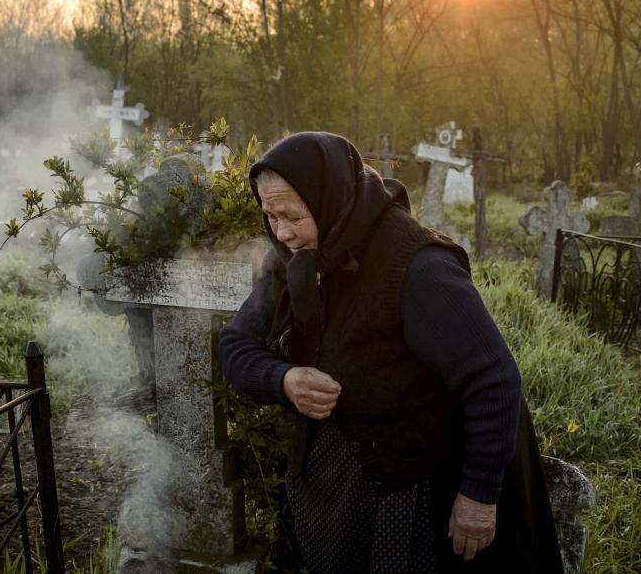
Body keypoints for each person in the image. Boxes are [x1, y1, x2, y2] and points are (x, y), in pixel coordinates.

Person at [218, 132, 562, 573]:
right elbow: (236, 345)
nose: (281, 233)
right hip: (337, 487)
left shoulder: (417, 266)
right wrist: (282, 380)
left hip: (414, 488)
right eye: (270, 216)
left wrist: (478, 497)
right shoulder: (295, 255)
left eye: (290, 216)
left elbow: (494, 380)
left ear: (329, 198)